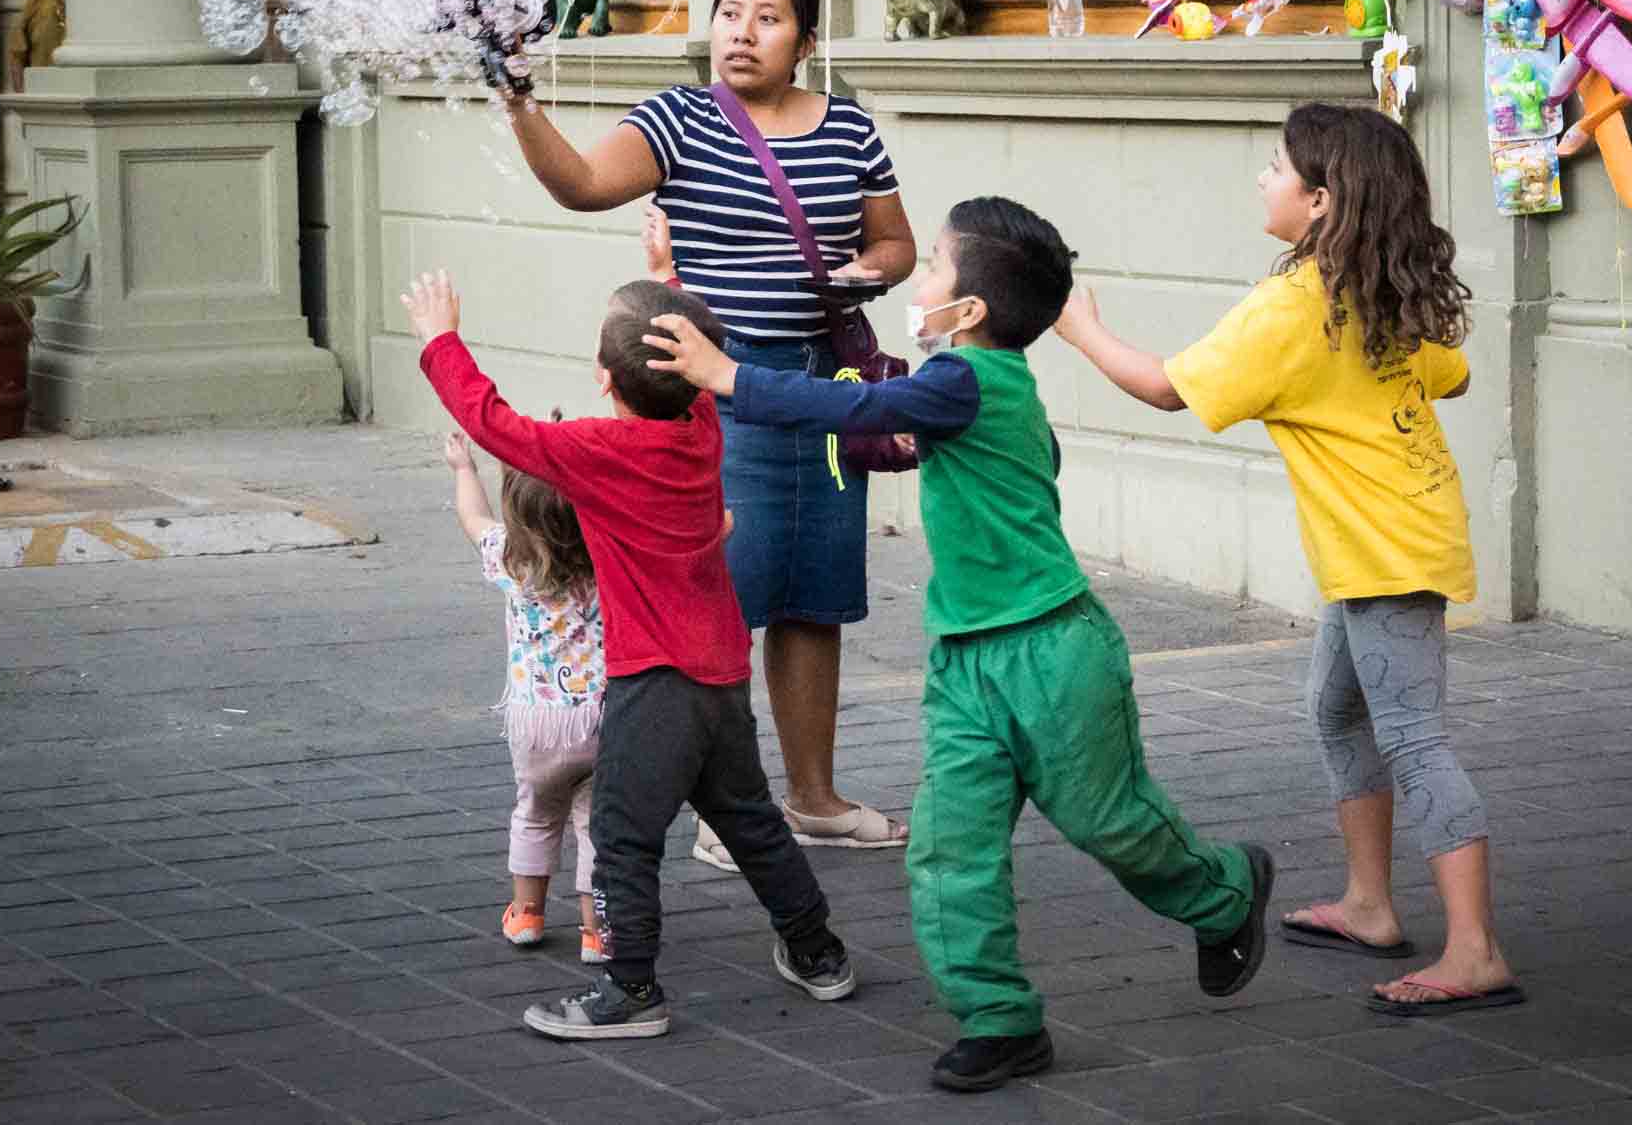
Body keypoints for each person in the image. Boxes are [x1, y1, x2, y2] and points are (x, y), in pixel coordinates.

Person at [643, 196, 1274, 1091]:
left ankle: (1225, 893)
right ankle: (1002, 1019)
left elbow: (836, 404)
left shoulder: (966, 381)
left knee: (1110, 820)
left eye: (931, 265)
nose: (919, 279)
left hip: (1054, 651)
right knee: (949, 848)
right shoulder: (974, 388)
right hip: (967, 663)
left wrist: (727, 373)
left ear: (970, 310)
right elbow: (975, 440)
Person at [1054, 103, 1521, 1018]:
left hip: (1387, 551)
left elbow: (1164, 387)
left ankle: (1476, 950)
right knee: (1334, 709)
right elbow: (1452, 373)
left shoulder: (1292, 308)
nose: (1262, 179)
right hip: (1384, 539)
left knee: (1414, 738)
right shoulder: (1367, 292)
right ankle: (1369, 903)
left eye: (1275, 167)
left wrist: (1079, 329)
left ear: (1320, 200)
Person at [499, 0, 918, 869]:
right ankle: (730, 811)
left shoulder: (849, 129)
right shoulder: (678, 116)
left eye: (768, 18)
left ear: (806, 41)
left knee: (815, 600)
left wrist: (869, 271)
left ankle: (811, 797)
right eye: (730, 13)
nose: (741, 31)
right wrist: (521, 100)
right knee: (721, 600)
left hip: (822, 397)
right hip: (715, 393)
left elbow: (896, 241)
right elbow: (578, 182)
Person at [402, 269, 856, 1040]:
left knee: (620, 833)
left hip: (654, 685)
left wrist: (440, 339)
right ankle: (817, 951)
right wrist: (669, 267)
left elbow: (493, 423)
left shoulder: (598, 451)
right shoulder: (704, 427)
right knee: (750, 821)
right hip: (720, 674)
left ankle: (631, 988)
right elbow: (687, 356)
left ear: (603, 379)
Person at [441, 427, 611, 963]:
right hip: (599, 719)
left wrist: (464, 469)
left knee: (535, 812)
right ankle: (596, 931)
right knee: (595, 825)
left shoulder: (508, 559)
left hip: (534, 722)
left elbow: (472, 519)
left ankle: (527, 915)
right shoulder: (605, 555)